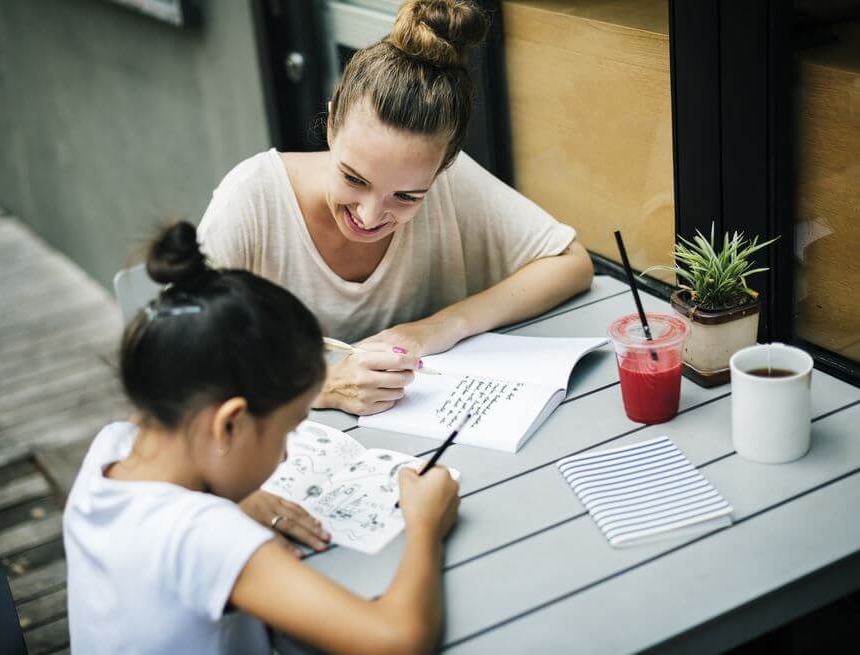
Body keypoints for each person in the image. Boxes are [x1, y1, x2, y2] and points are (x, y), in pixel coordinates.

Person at [64, 222, 460, 654]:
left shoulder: (113, 445)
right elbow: (398, 642)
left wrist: (231, 494)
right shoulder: (203, 535)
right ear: (229, 424)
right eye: (288, 428)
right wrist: (425, 527)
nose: (288, 451)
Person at [197, 0, 594, 418]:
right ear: (331, 124)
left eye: (406, 197)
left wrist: (438, 328)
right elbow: (179, 357)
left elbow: (570, 261)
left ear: (443, 167)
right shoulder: (254, 199)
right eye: (354, 179)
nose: (369, 218)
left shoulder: (450, 184)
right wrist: (324, 386)